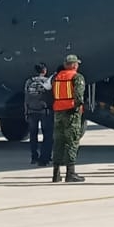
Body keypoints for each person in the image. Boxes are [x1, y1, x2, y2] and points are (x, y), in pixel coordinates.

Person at [50, 54, 86, 183]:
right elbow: (79, 95)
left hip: (58, 112)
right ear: (74, 65)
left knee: (58, 142)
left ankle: (56, 173)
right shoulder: (77, 77)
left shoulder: (56, 77)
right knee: (72, 142)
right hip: (71, 113)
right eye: (76, 64)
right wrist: (77, 107)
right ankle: (70, 173)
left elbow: (52, 93)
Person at [23, 63, 53, 167]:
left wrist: (26, 111)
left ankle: (34, 157)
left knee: (33, 135)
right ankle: (46, 156)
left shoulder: (29, 81)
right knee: (47, 134)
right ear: (44, 70)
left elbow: (26, 97)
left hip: (31, 111)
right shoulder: (47, 81)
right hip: (44, 111)